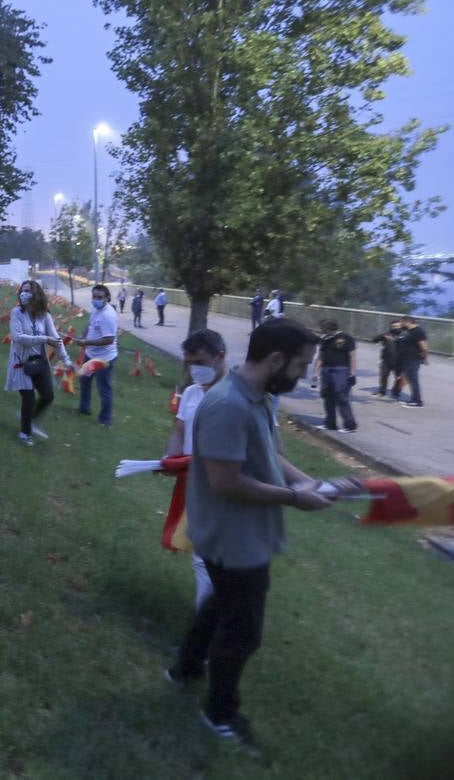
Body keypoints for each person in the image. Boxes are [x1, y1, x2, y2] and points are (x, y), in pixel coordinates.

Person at [166, 319, 356, 754]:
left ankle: (185, 669)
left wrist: (315, 484)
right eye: (301, 365)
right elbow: (227, 482)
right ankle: (220, 714)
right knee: (243, 629)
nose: (304, 374)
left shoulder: (261, 397)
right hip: (232, 535)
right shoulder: (228, 405)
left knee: (220, 603)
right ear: (275, 360)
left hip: (243, 531)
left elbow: (271, 455)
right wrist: (293, 498)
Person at [164, 328, 229, 613]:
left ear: (220, 357)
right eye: (190, 364)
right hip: (197, 486)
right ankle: (211, 627)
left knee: (209, 559)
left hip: (226, 488)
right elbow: (179, 431)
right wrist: (169, 456)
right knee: (205, 559)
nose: (195, 371)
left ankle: (205, 636)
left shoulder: (237, 396)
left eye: (200, 363)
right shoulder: (191, 393)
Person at [5, 279, 70, 446]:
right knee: (28, 398)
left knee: (48, 396)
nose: (23, 294)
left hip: (39, 361)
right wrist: (44, 338)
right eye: (22, 290)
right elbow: (18, 338)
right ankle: (24, 433)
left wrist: (67, 360)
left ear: (36, 295)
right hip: (20, 361)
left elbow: (55, 339)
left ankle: (30, 420)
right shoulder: (16, 313)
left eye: (27, 291)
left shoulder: (44, 315)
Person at [77, 284, 120, 427]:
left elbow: (109, 339)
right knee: (84, 380)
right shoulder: (96, 309)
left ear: (107, 298)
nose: (96, 299)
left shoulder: (108, 315)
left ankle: (105, 420)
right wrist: (82, 338)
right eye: (94, 296)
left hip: (104, 359)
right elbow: (89, 324)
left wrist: (86, 341)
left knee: (104, 389)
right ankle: (84, 408)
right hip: (91, 355)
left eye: (99, 297)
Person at [311, 320, 357, 433]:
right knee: (327, 396)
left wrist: (352, 373)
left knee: (341, 396)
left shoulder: (346, 338)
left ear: (330, 328)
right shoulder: (325, 339)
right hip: (326, 370)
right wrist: (316, 372)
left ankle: (349, 425)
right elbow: (321, 356)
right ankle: (330, 423)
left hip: (341, 370)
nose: (322, 331)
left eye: (323, 329)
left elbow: (352, 356)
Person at [394, 316, 428, 408]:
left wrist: (424, 358)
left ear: (408, 322)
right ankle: (414, 399)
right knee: (411, 380)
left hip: (413, 360)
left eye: (402, 322)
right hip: (408, 359)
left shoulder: (418, 331)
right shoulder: (411, 331)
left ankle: (417, 401)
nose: (401, 324)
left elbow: (424, 347)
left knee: (414, 381)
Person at [368, 319, 404, 398]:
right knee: (383, 376)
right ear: (391, 327)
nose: (396, 328)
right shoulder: (386, 335)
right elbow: (374, 339)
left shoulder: (405, 336)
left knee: (399, 378)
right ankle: (382, 391)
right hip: (386, 360)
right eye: (394, 326)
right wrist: (382, 337)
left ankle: (396, 392)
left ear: (401, 326)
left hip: (399, 361)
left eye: (398, 326)